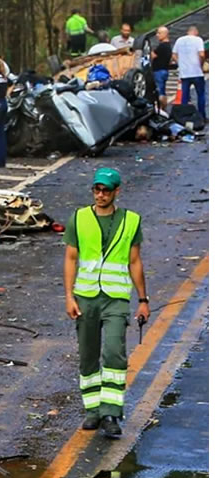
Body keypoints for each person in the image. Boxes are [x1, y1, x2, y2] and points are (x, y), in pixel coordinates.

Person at [63, 168, 148, 439]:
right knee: (88, 355)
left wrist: (143, 300)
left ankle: (111, 412)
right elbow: (71, 259)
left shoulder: (131, 221)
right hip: (86, 297)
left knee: (114, 352)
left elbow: (134, 262)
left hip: (116, 298)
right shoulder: (79, 218)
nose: (101, 195)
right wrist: (68, 296)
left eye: (106, 190)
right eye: (97, 189)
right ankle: (93, 411)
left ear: (116, 192)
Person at [173, 26, 207, 119]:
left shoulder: (179, 40)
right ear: (195, 32)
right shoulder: (198, 40)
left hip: (184, 73)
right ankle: (202, 116)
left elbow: (174, 54)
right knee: (200, 95)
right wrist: (202, 63)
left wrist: (180, 63)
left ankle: (184, 116)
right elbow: (202, 54)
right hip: (197, 72)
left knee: (184, 96)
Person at [151, 26, 173, 112]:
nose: (157, 35)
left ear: (165, 34)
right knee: (162, 91)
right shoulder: (168, 46)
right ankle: (163, 109)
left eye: (159, 33)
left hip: (159, 71)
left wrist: (150, 50)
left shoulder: (162, 46)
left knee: (160, 92)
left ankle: (162, 110)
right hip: (164, 70)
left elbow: (153, 56)